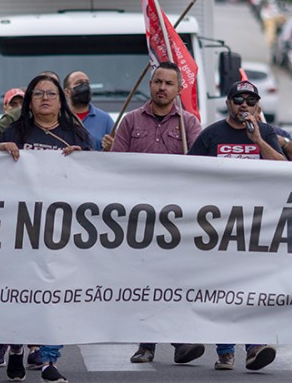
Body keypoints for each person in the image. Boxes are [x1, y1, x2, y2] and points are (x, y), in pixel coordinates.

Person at [101, 62, 205, 364]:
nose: (162, 87)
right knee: (144, 280)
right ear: (150, 85)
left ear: (178, 89)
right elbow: (116, 165)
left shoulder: (190, 125)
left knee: (173, 280)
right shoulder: (131, 121)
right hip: (139, 215)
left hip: (176, 217)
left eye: (168, 83)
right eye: (157, 82)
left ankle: (175, 338)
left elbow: (201, 170)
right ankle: (149, 343)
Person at [0, 73, 92, 383]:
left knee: (55, 297)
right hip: (19, 231)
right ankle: (17, 347)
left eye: (51, 93)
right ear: (30, 101)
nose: (45, 98)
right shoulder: (15, 132)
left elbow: (95, 178)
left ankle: (49, 360)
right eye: (38, 94)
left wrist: (84, 160)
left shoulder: (75, 134)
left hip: (61, 231)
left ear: (61, 100)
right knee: (21, 294)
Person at [188, 79, 282, 372]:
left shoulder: (265, 132)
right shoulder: (211, 135)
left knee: (251, 289)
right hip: (215, 226)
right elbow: (188, 174)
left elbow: (283, 167)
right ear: (228, 104)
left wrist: (259, 143)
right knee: (221, 289)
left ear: (258, 106)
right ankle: (225, 351)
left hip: (255, 226)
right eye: (238, 100)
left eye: (250, 101)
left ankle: (253, 346)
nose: (244, 105)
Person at [63, 70, 114, 150]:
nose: (85, 87)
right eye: (79, 83)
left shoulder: (105, 120)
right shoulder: (58, 117)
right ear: (67, 92)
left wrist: (112, 147)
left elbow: (118, 150)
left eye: (87, 83)